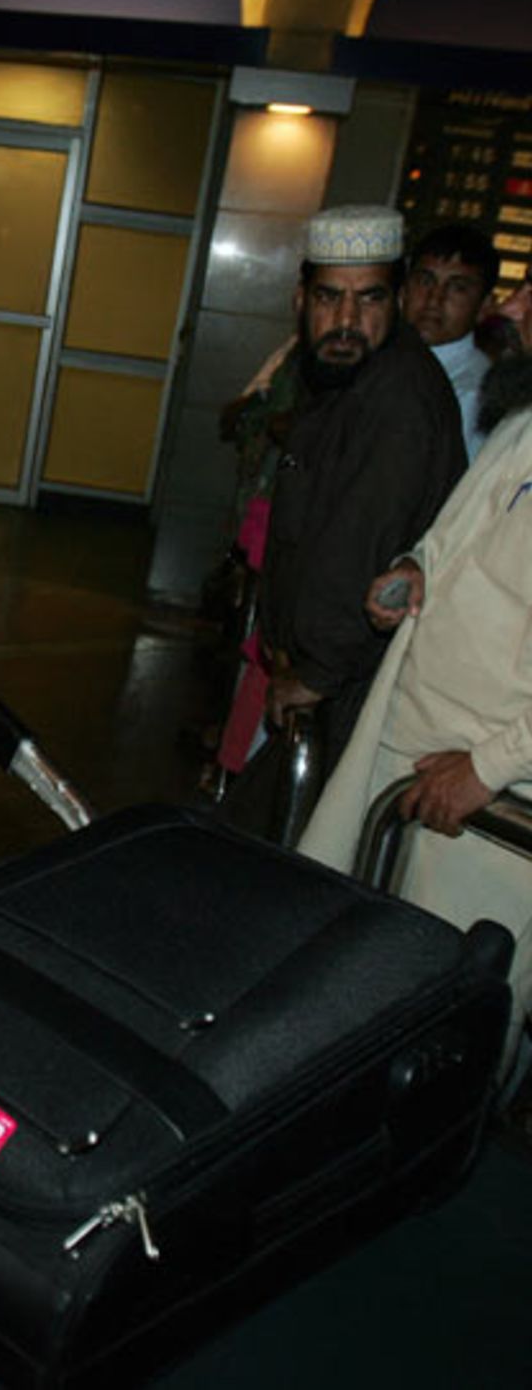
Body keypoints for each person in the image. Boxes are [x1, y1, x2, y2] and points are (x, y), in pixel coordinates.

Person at [300, 351, 532, 1096]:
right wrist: (416, 569)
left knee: (442, 1044)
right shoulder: (521, 423)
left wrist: (489, 768)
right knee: (359, 990)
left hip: (487, 807)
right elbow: (457, 539)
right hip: (407, 748)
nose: (519, 305)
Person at [221, 205, 466, 824]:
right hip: (319, 675)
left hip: (347, 688)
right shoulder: (342, 375)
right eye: (330, 298)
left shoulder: (397, 397)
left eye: (370, 299)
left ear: (398, 299)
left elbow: (361, 541)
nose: (348, 321)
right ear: (301, 298)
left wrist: (317, 672)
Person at [400, 222, 497, 462]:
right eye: (425, 281)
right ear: (403, 290)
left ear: (485, 306)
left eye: (457, 288)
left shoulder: (474, 393)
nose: (435, 298)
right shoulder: (376, 361)